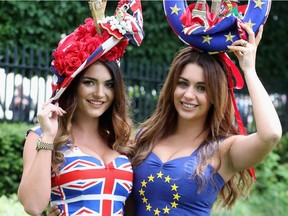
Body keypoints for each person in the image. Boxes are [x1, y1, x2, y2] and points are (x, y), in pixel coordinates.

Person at [131, 24, 282, 215]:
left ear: (215, 96)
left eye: (201, 88)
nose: (188, 95)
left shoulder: (224, 150)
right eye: (183, 84)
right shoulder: (145, 137)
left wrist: (249, 70)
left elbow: (271, 135)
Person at [17, 0, 144, 215]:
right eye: (89, 82)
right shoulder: (42, 136)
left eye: (109, 85)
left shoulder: (121, 138)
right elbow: (32, 206)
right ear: (73, 86)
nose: (99, 94)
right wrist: (48, 136)